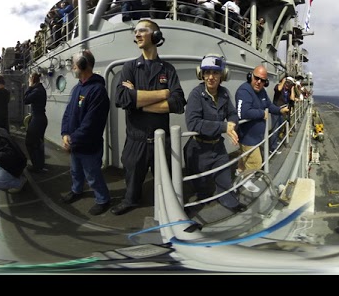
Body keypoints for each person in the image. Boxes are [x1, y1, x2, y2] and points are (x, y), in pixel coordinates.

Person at [112, 19, 186, 215]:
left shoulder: (167, 69)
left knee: (165, 181)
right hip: (136, 139)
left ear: (156, 36)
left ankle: (167, 206)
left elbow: (178, 103)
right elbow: (122, 99)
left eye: (142, 30)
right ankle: (130, 200)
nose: (137, 34)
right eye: (135, 31)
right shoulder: (129, 68)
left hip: (162, 140)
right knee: (132, 176)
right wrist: (163, 94)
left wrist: (139, 100)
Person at [184, 55, 246, 213]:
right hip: (198, 148)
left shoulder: (224, 94)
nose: (211, 77)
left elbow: (232, 113)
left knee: (225, 182)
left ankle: (230, 202)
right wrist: (224, 127)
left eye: (215, 72)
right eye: (207, 72)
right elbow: (194, 123)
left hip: (217, 147)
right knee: (202, 189)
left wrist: (232, 124)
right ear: (201, 74)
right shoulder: (196, 95)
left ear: (222, 75)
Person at [60, 50, 112, 215]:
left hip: (89, 145)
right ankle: (77, 191)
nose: (73, 68)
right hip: (76, 144)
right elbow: (68, 113)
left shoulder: (97, 90)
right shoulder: (77, 88)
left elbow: (91, 124)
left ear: (83, 65)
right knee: (75, 171)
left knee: (93, 175)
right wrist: (65, 134)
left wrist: (72, 139)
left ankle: (103, 199)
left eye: (75, 65)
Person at [235, 65, 289, 177]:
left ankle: (240, 175)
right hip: (248, 138)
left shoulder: (262, 91)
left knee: (244, 161)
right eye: (256, 78)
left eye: (262, 80)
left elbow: (269, 105)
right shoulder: (244, 91)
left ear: (266, 82)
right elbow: (243, 113)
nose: (259, 82)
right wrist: (261, 113)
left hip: (256, 138)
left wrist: (280, 110)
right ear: (251, 76)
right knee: (256, 164)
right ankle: (247, 186)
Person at [23, 72, 48, 172]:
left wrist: (29, 86)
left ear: (32, 79)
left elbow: (25, 100)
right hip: (40, 118)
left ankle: (37, 166)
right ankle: (40, 165)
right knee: (38, 143)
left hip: (37, 119)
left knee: (29, 142)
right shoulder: (40, 89)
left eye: (29, 80)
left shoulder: (37, 90)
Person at [270, 75, 296, 153]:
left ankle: (276, 141)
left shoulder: (288, 91)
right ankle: (273, 148)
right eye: (288, 83)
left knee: (280, 127)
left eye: (290, 84)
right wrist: (283, 81)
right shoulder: (278, 86)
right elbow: (279, 89)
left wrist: (292, 89)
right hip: (276, 110)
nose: (288, 85)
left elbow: (292, 98)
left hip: (283, 111)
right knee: (275, 128)